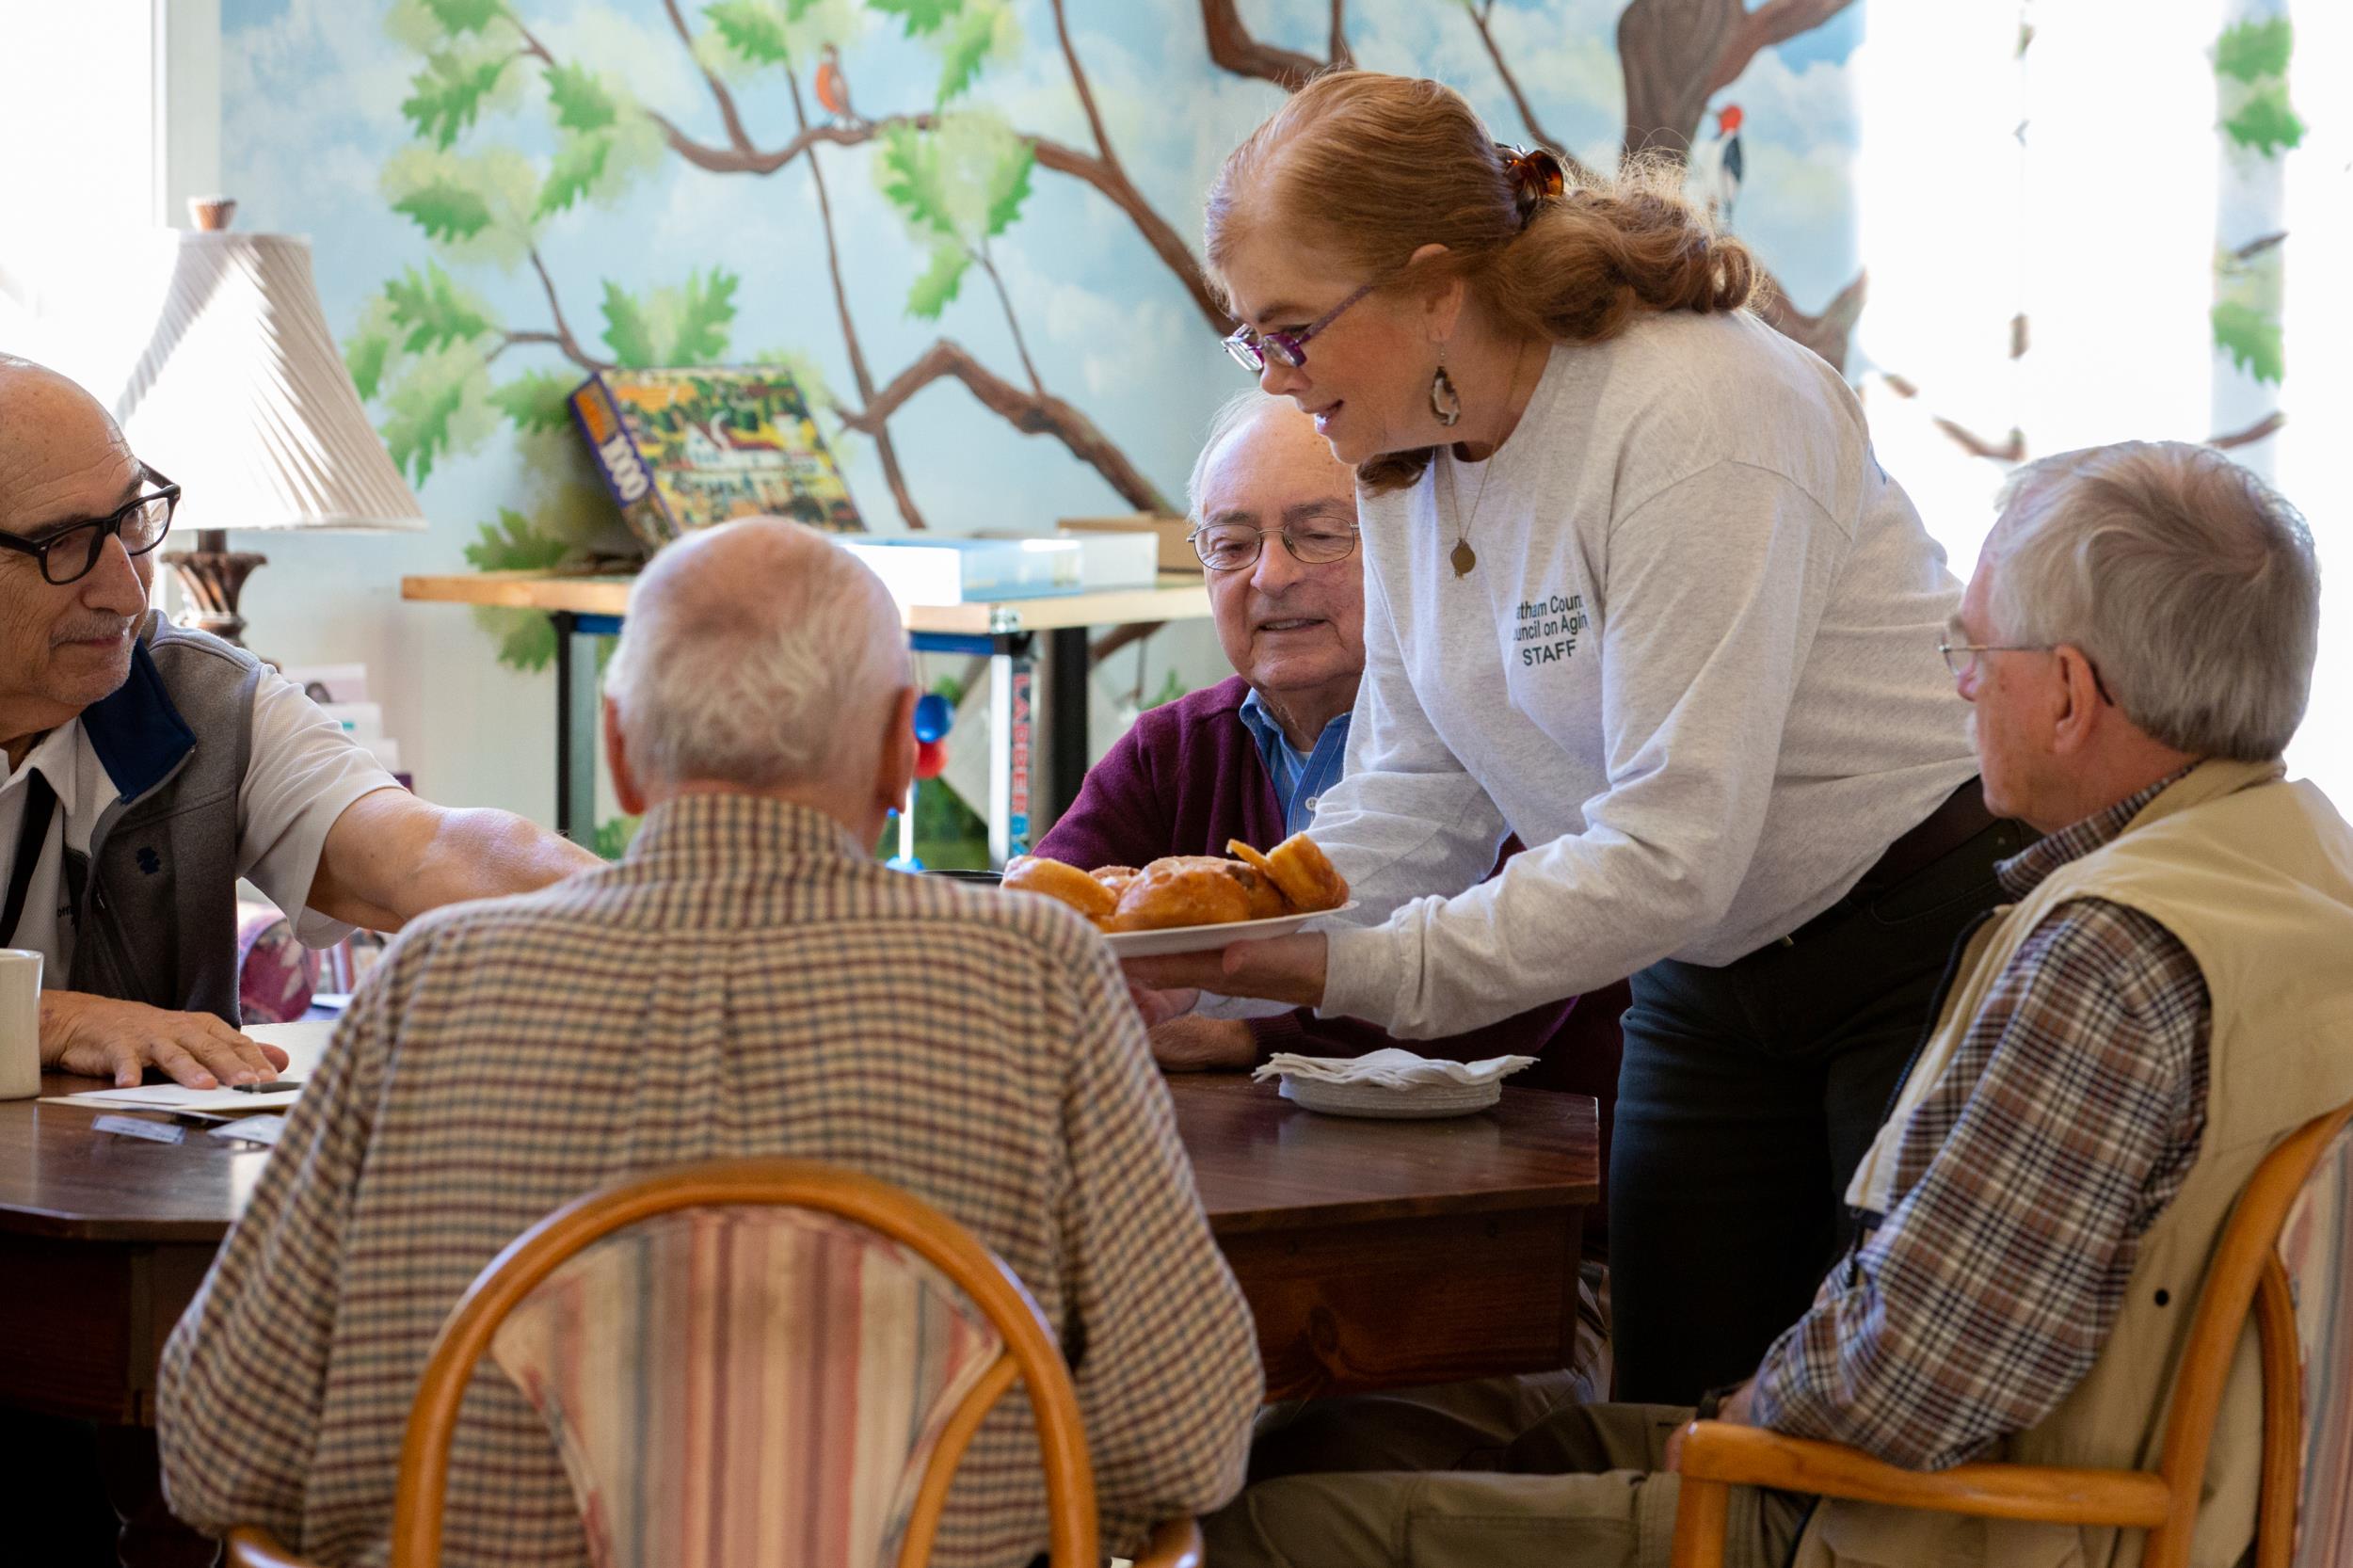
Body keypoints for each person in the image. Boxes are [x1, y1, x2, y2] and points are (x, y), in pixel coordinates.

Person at [1206, 441, 2353, 1568]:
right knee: (1481, 1438)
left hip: (1911, 1525)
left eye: (1971, 647)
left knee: (1264, 1522)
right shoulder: (2297, 868)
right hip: (2060, 1496)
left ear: (2066, 696)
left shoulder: (2105, 953)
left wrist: (1757, 1395)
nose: (1954, 682)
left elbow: (1914, 1380)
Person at [1128, 71, 2003, 1406]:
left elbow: (1665, 849)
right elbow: (1417, 800)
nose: (1278, 379)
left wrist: (1327, 964)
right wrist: (1215, 951)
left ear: (1434, 286)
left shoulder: (1697, 412)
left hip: (1912, 939)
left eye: (1294, 331)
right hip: (1708, 973)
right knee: (1668, 1426)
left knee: (1866, 1454)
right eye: (1254, 342)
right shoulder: (1400, 454)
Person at [155, 519, 1263, 1567]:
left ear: (620, 751)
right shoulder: (1043, 978)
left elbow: (221, 1445)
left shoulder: (430, 985)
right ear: (898, 751)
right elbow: (1177, 1440)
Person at [1038, 388, 1626, 1419]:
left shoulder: (1510, 739)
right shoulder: (1170, 750)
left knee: (1296, 1454)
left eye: (1318, 535)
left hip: (1488, 1268)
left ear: (1408, 551)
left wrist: (1240, 1030)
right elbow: (1057, 919)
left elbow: (1512, 1001)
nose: (1270, 576)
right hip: (1212, 1261)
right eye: (1231, 544)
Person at [0, 355, 599, 1091]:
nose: (125, 589)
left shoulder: (194, 696)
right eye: (63, 544)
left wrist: (654, 919)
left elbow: (419, 852)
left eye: (129, 520)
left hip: (121, 1197)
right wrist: (55, 1020)